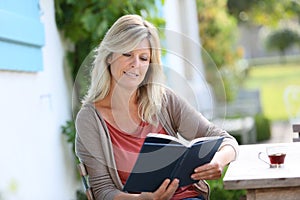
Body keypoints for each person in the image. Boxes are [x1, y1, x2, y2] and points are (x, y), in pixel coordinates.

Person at [75, 14, 239, 200]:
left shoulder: (164, 100)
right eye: (127, 54)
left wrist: (219, 161)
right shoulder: (90, 119)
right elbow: (103, 192)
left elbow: (227, 140)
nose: (135, 64)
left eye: (144, 58)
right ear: (109, 56)